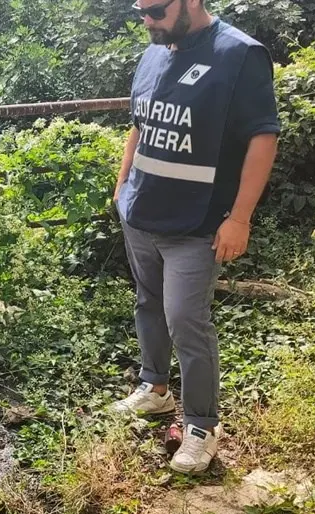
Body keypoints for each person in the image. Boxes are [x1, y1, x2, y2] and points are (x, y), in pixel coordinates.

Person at [110, 0, 280, 474]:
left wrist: (240, 218)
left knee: (186, 318)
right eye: (139, 10)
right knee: (148, 303)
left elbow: (263, 137)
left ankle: (202, 426)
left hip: (196, 222)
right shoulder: (153, 52)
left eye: (157, 10)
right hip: (141, 213)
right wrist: (122, 186)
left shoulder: (239, 54)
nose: (147, 20)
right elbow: (139, 127)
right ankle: (155, 390)